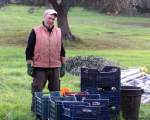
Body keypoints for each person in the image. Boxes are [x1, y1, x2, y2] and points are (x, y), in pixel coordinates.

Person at [25, 9, 66, 112]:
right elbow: (29, 49)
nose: (51, 20)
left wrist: (63, 66)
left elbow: (62, 50)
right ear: (44, 17)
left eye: (53, 19)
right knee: (37, 91)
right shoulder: (35, 31)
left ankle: (55, 112)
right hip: (40, 67)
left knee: (56, 92)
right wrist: (29, 65)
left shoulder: (58, 31)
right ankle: (35, 111)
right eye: (49, 18)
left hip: (55, 67)